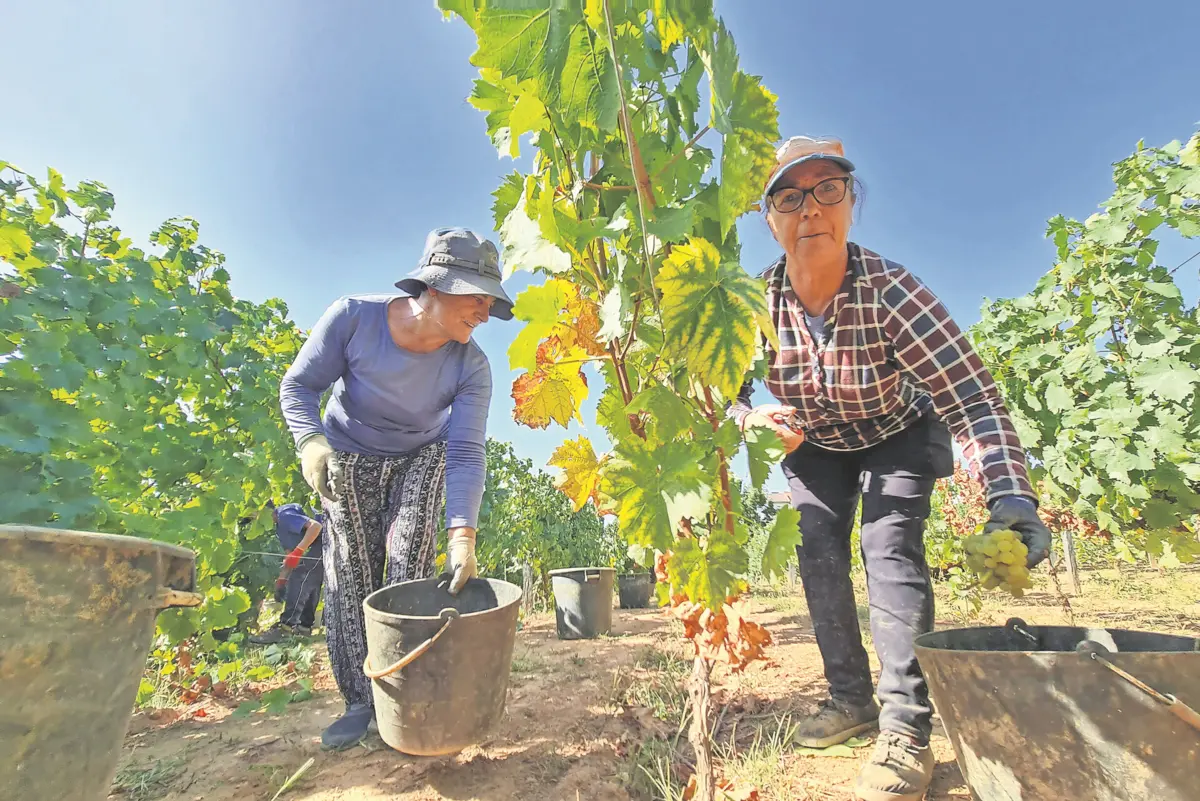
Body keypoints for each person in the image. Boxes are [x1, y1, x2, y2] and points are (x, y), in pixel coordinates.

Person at [729, 136, 1051, 801]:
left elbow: (972, 397)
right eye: (789, 196)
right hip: (812, 441)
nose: (810, 208)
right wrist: (749, 418)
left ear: (850, 203)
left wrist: (1011, 498)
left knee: (889, 543)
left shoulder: (893, 292)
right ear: (770, 219)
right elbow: (717, 386)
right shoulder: (754, 306)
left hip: (897, 432)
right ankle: (849, 698)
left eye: (827, 190)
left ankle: (907, 728)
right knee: (815, 547)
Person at [280, 227, 513, 750]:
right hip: (348, 452)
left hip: (421, 455)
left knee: (407, 564)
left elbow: (465, 450)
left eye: (489, 301)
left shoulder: (471, 365)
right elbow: (298, 385)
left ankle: (403, 698)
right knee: (350, 574)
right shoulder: (353, 318)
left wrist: (462, 538)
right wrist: (311, 444)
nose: (482, 311)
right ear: (433, 286)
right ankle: (359, 702)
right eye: (474, 296)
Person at [250, 500, 325, 643]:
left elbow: (316, 527)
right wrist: (281, 580)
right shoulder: (279, 528)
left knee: (300, 576)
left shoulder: (284, 514)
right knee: (310, 582)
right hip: (315, 548)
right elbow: (289, 555)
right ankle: (303, 627)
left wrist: (299, 551)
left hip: (322, 543)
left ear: (264, 511)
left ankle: (286, 627)